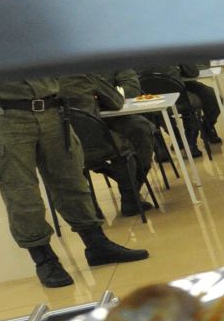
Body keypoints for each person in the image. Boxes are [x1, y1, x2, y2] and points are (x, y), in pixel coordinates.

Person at [0, 0, 148, 287]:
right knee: (22, 196)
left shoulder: (23, 10)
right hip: (4, 117)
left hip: (53, 110)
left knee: (72, 182)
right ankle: (44, 259)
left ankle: (96, 245)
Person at [58, 68, 155, 218]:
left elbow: (131, 88)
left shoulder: (44, 82)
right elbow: (116, 102)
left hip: (65, 141)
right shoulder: (83, 74)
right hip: (90, 136)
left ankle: (121, 193)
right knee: (123, 145)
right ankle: (130, 194)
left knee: (139, 128)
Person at [139, 61, 224, 153]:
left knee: (212, 97)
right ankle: (182, 140)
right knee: (188, 105)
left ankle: (206, 128)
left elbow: (195, 71)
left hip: (177, 86)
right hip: (157, 95)